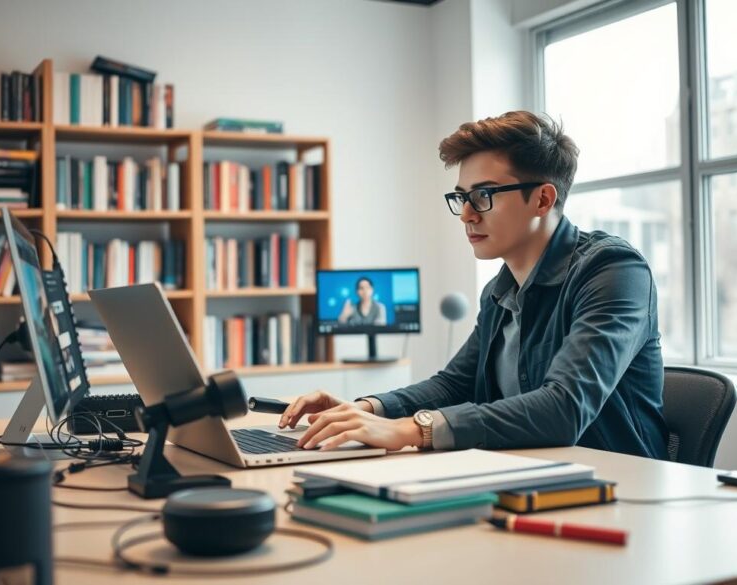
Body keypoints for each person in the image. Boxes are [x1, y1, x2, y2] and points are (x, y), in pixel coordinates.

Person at [279, 111, 668, 460]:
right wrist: (366, 409)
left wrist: (411, 429)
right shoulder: (500, 291)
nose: (465, 214)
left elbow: (564, 408)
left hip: (616, 487)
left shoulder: (613, 269)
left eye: (482, 196)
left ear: (543, 199)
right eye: (461, 197)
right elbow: (454, 385)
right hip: (527, 474)